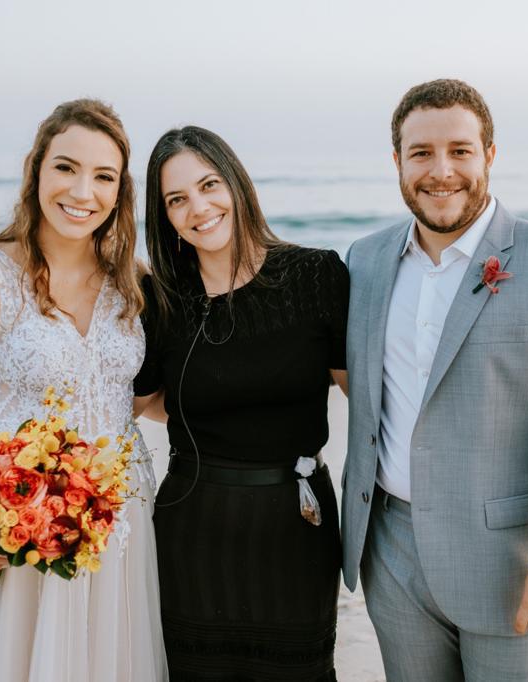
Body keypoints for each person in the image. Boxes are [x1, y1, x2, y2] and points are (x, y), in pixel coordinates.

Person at [341, 79, 528, 680]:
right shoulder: (364, 260)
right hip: (389, 550)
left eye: (460, 151)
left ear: (489, 155)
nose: (441, 171)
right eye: (421, 153)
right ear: (397, 162)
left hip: (510, 560)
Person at [0, 99, 167, 681]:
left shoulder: (136, 284)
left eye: (104, 177)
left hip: (121, 532)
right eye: (66, 167)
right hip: (15, 529)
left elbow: (143, 400)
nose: (83, 191)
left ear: (119, 191)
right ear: (36, 170)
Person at [134, 126, 348, 681]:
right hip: (192, 524)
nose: (198, 208)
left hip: (295, 522)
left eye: (208, 185)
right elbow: (145, 403)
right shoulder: (163, 301)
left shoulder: (316, 275)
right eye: (176, 199)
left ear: (236, 183)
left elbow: (364, 393)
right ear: (165, 217)